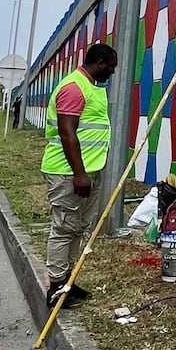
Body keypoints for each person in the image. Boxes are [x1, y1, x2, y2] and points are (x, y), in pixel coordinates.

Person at [40, 43, 118, 308]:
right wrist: (79, 174)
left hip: (85, 172)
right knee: (63, 229)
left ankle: (67, 281)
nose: (112, 72)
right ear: (100, 63)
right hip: (68, 173)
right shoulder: (74, 87)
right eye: (111, 67)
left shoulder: (91, 87)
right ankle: (56, 286)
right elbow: (67, 132)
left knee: (77, 227)